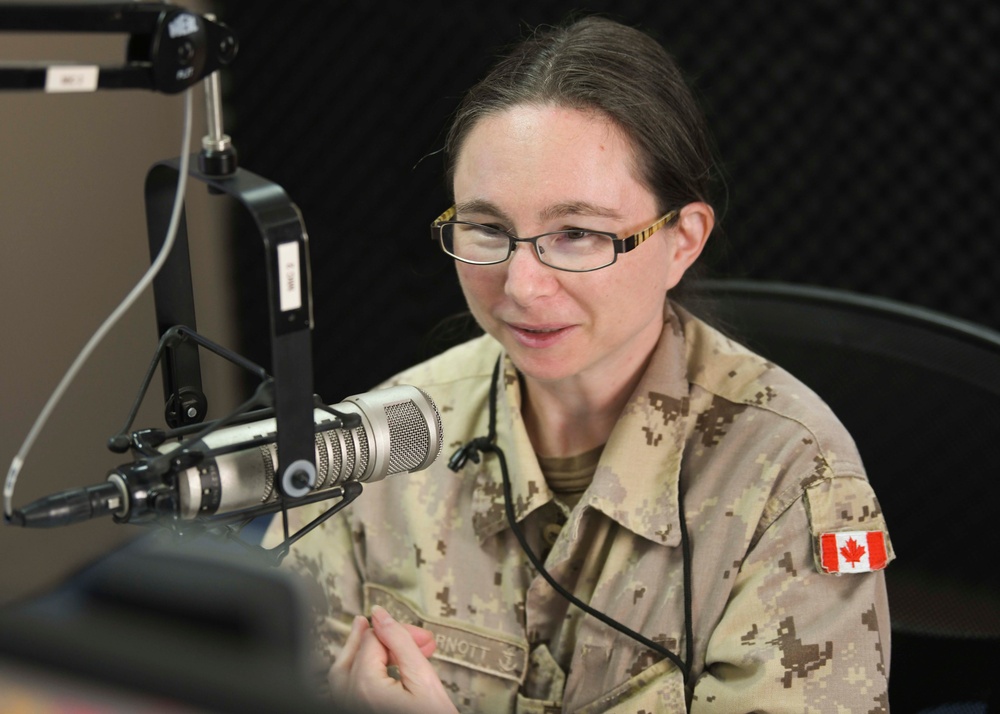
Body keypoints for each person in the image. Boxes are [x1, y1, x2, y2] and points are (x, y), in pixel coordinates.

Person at [264, 14, 894, 713]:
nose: (521, 286)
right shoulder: (381, 443)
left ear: (681, 240)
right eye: (488, 229)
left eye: (576, 235)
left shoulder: (790, 475)